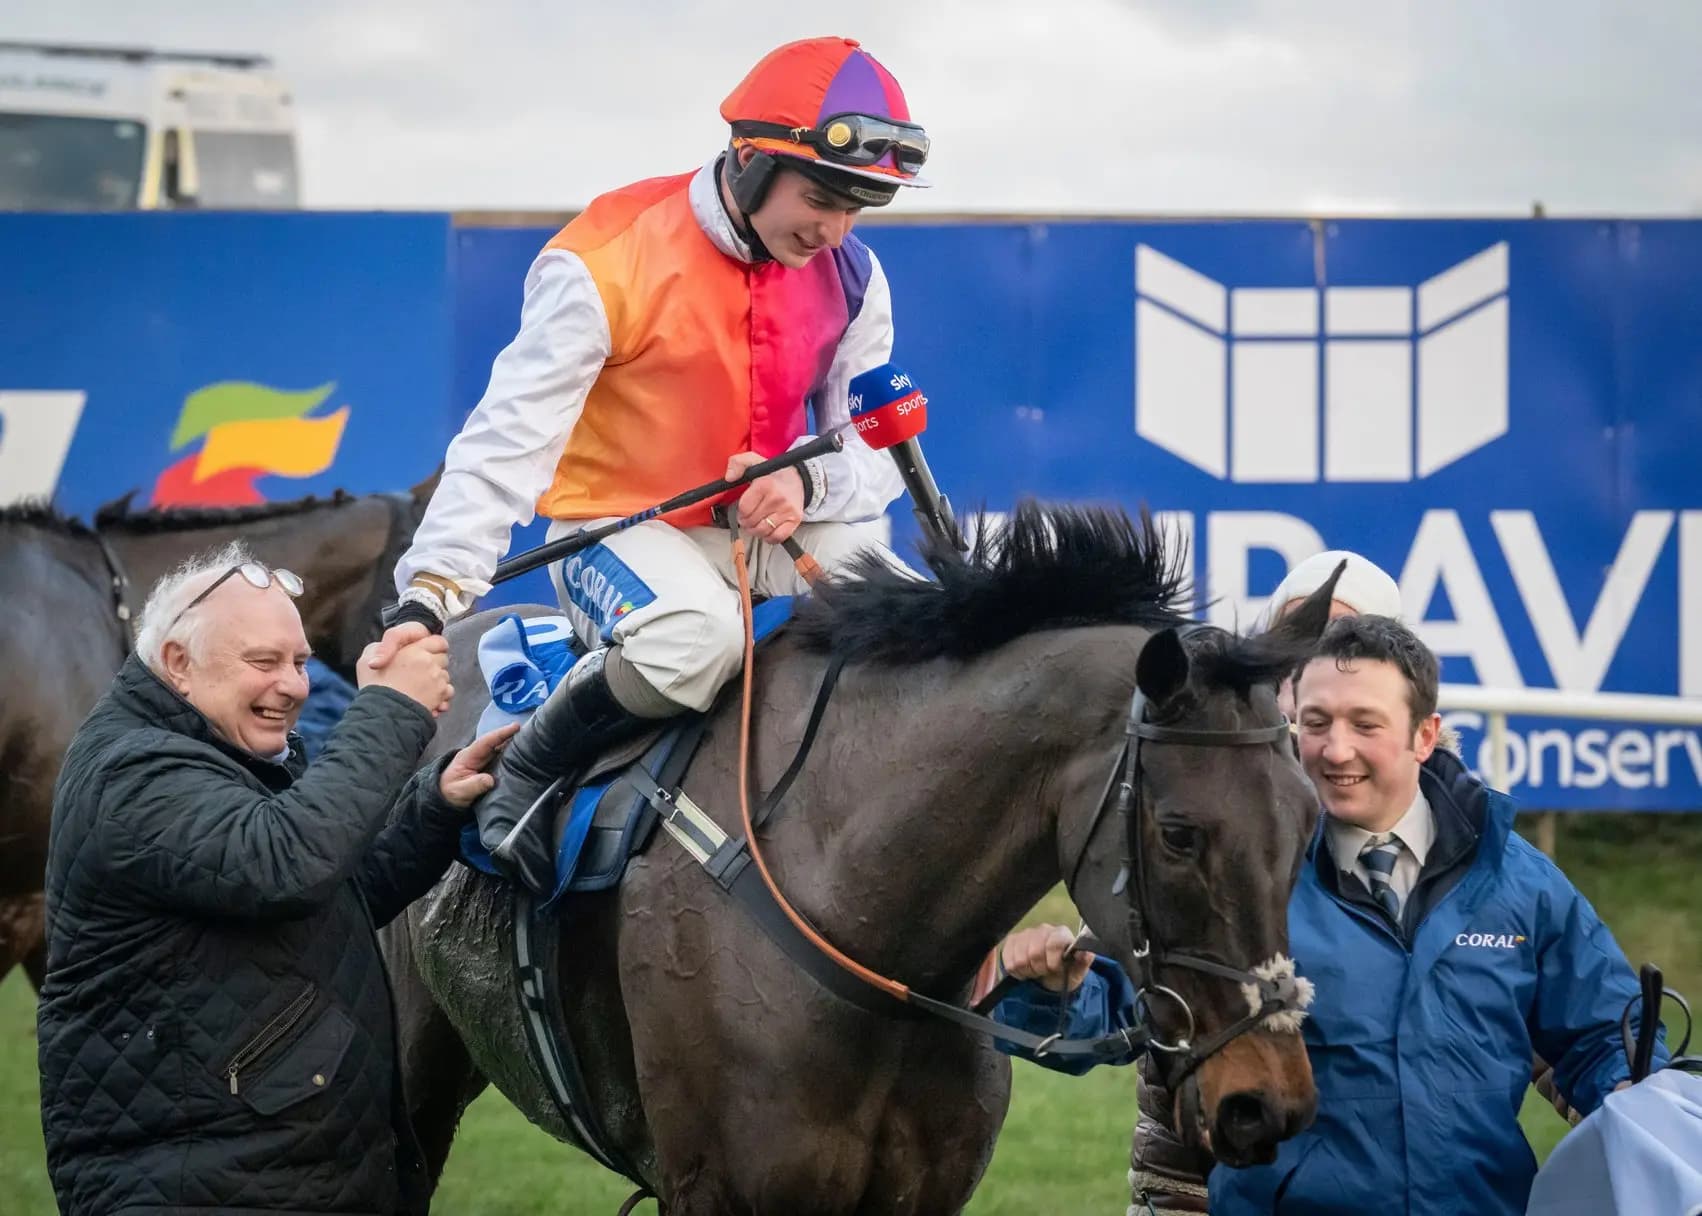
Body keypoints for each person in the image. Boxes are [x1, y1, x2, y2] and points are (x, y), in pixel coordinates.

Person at [380, 35, 930, 893]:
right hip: (612, 529)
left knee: (917, 639)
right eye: (821, 197)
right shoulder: (605, 256)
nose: (834, 229)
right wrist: (430, 593)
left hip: (767, 533)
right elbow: (503, 443)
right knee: (695, 640)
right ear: (749, 161)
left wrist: (802, 478)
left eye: (860, 208)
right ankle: (526, 771)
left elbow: (873, 452)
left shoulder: (855, 275)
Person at [993, 615, 1659, 1216]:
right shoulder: (1245, 864)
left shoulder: (1517, 879)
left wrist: (1645, 1097)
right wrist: (1056, 992)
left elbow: (1604, 1035)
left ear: (1424, 735)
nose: (1335, 751)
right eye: (1316, 724)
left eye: (1365, 725)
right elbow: (1132, 1002)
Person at [36, 542, 517, 1216]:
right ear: (178, 664)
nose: (292, 685)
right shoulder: (133, 772)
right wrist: (393, 709)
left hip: (266, 1169)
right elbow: (289, 864)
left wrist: (434, 805)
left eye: (298, 662)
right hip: (204, 1185)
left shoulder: (212, 748)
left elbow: (331, 899)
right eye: (263, 662)